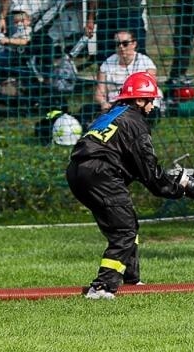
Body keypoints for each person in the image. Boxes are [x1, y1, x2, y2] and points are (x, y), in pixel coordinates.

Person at [65, 71, 180, 299]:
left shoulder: (111, 114)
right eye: (150, 101)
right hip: (101, 174)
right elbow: (148, 168)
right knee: (124, 230)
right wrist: (173, 188)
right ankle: (102, 286)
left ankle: (132, 279)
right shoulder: (135, 122)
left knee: (126, 223)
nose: (152, 107)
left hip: (77, 172)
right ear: (139, 100)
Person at [95, 29, 158, 111]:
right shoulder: (107, 63)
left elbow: (150, 90)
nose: (121, 47)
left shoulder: (146, 63)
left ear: (134, 44)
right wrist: (103, 103)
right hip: (114, 105)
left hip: (138, 103)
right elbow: (99, 92)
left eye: (125, 43)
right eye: (118, 44)